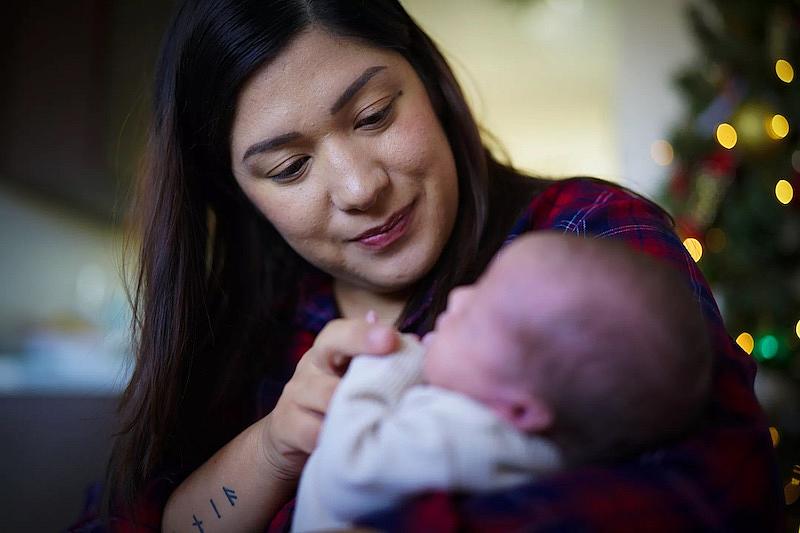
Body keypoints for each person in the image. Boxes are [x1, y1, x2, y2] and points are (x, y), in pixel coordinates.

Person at [68, 0, 782, 531]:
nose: (359, 187)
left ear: (429, 81)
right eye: (289, 168)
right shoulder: (237, 325)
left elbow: (726, 495)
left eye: (374, 114)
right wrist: (277, 445)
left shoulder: (588, 235)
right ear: (238, 194)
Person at [292, 232, 713, 532]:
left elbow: (347, 474)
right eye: (479, 286)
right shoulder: (516, 435)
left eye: (474, 322)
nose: (457, 299)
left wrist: (385, 365)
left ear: (519, 410)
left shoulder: (468, 434)